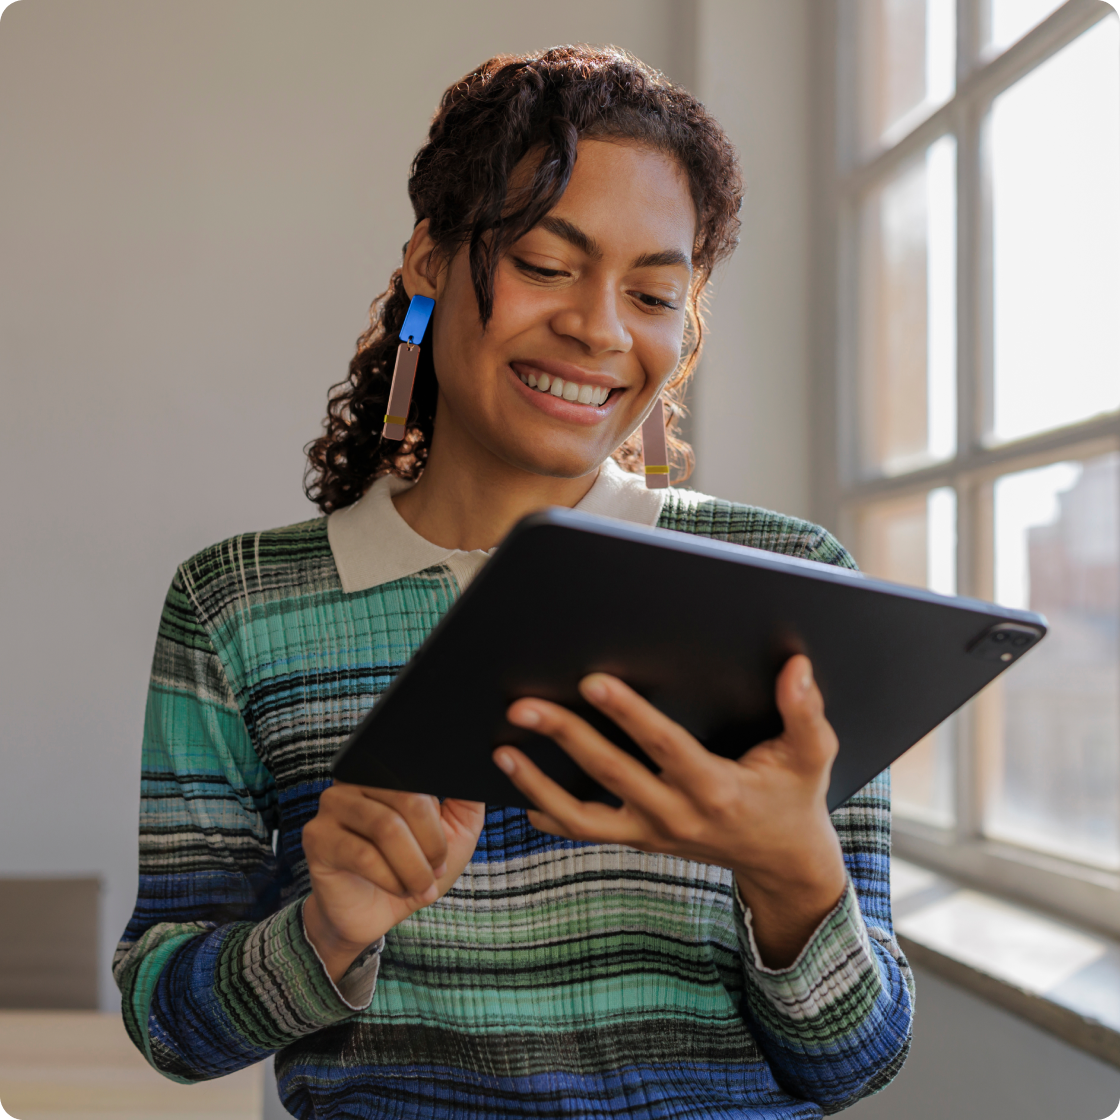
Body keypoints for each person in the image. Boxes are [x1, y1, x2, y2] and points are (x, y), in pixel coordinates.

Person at [115, 45, 914, 1119]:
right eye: (545, 263)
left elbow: (858, 1062)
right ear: (430, 261)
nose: (598, 327)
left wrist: (795, 879)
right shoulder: (239, 604)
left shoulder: (785, 583)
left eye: (653, 291)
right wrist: (323, 934)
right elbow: (165, 1023)